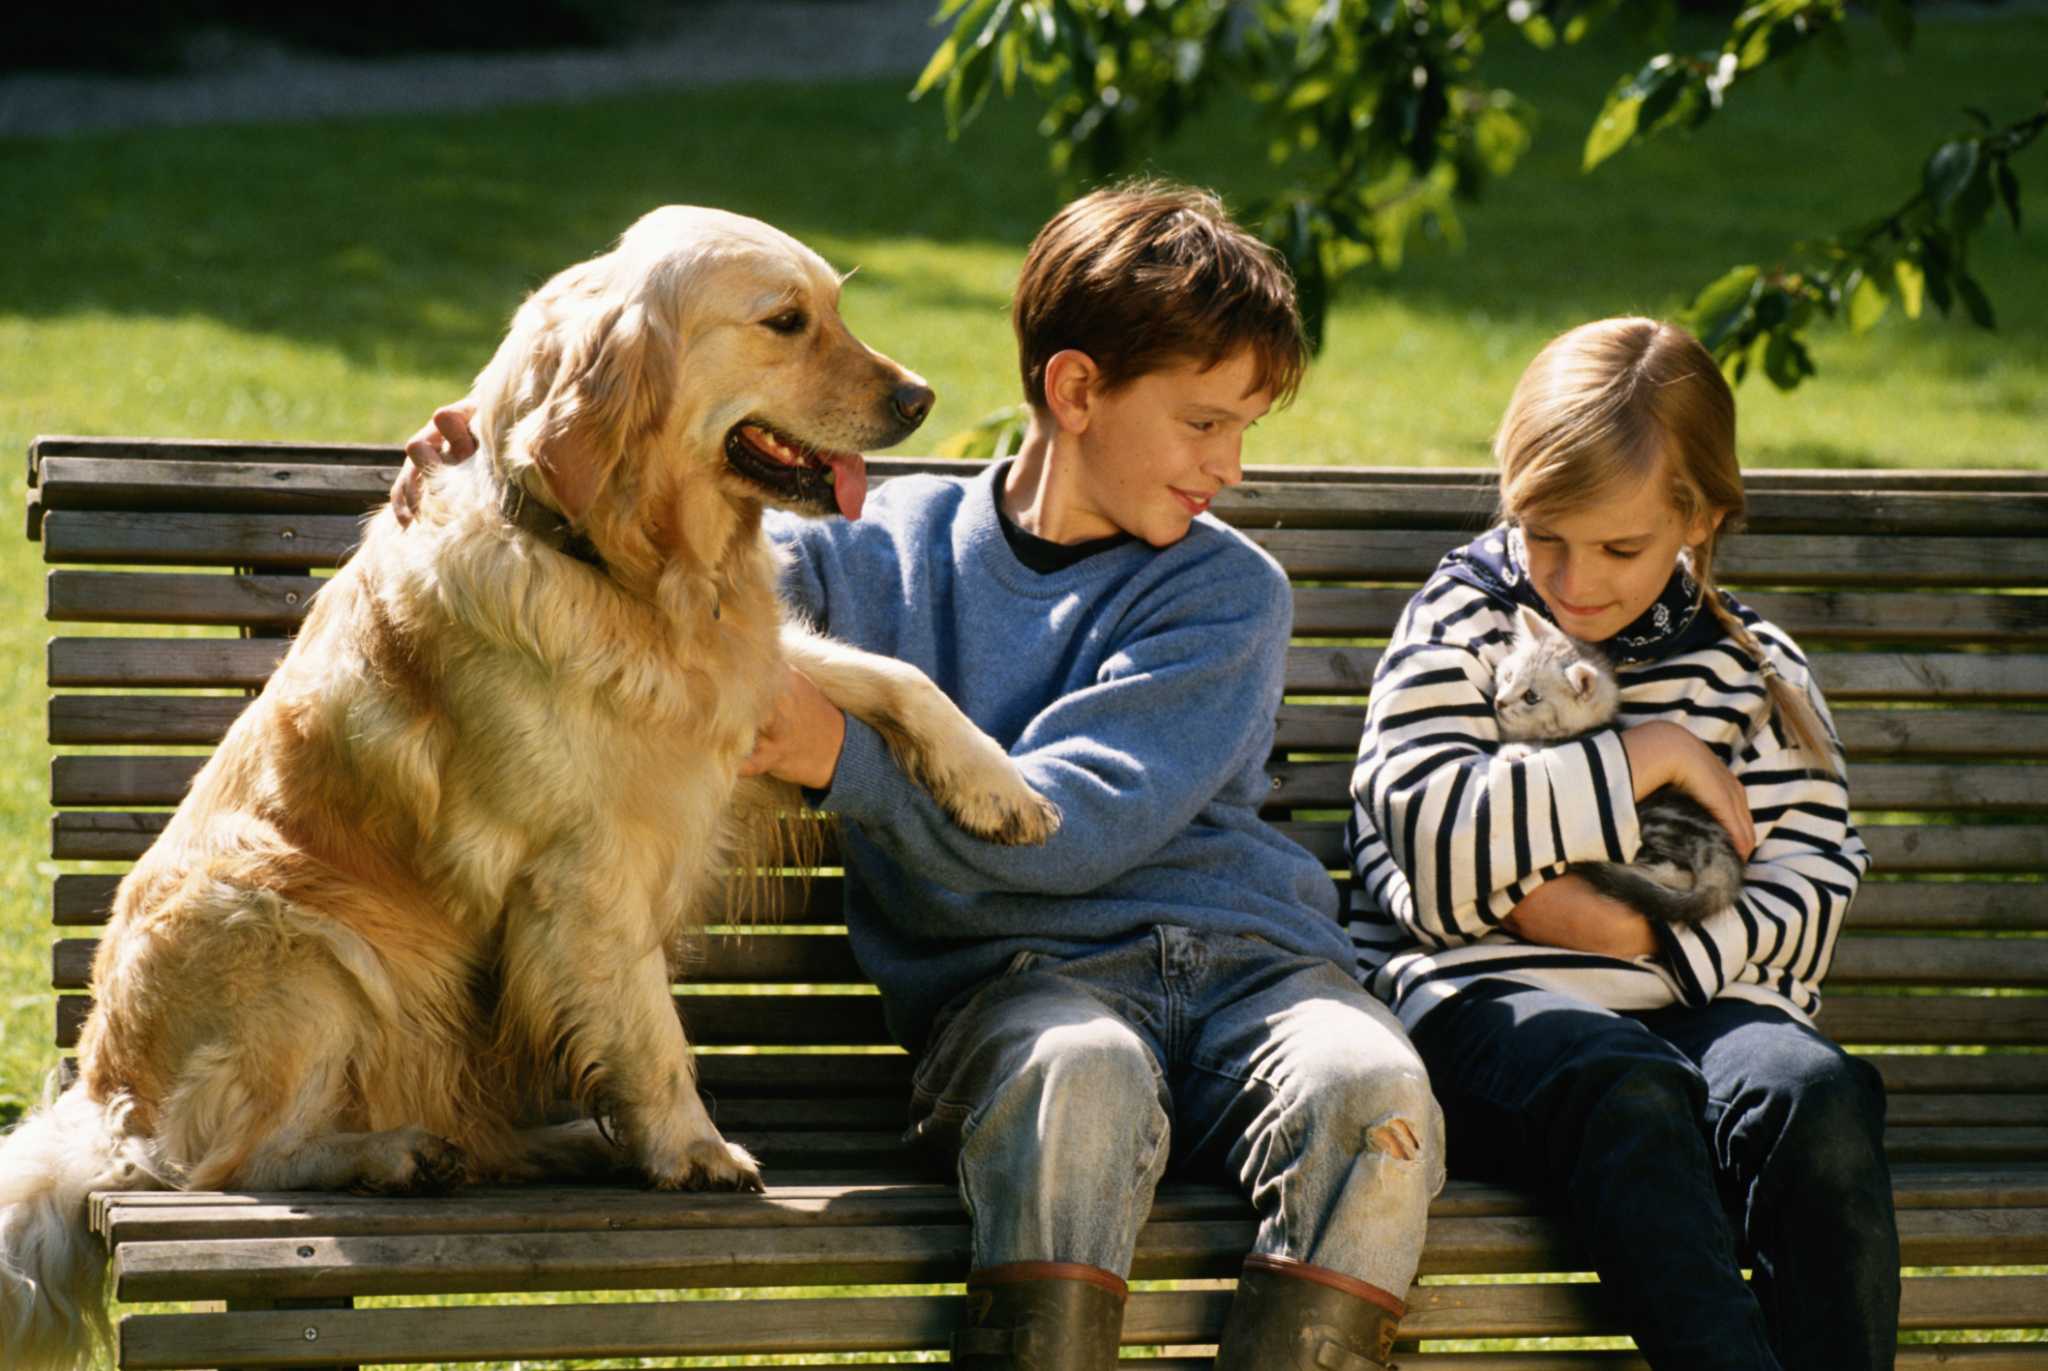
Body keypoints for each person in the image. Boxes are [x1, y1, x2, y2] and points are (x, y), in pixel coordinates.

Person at [399, 182, 1444, 1370]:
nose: (1232, 467)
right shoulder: (863, 552)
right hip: (1019, 995)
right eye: (1205, 424)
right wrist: (498, 445)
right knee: (1079, 1077)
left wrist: (842, 757)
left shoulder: (1225, 592)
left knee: (1374, 1090)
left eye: (1242, 430)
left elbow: (1070, 826)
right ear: (1076, 391)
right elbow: (650, 529)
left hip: (1256, 982)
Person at [1344, 317, 1899, 1369]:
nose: (1573, 579)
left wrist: (1648, 947)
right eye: (1542, 535)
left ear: (1696, 518)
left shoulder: (1754, 670)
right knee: (1625, 1090)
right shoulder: (1461, 625)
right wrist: (1641, 756)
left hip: (1703, 1003)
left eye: (1618, 547)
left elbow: (1813, 875)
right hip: (1489, 1013)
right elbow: (1422, 838)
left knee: (1813, 1098)